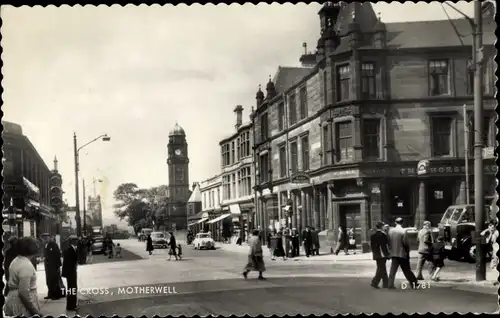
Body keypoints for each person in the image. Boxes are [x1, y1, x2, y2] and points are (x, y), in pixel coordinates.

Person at [4, 237, 43, 317]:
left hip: (13, 298)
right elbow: (24, 292)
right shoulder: (26, 265)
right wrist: (35, 311)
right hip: (22, 304)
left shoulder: (16, 260)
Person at [387, 218, 419, 289]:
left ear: (395, 222)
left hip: (394, 253)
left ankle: (390, 284)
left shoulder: (390, 231)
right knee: (407, 270)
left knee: (393, 270)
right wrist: (408, 252)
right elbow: (406, 243)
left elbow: (388, 243)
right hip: (402, 254)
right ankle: (414, 283)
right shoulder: (403, 231)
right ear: (402, 223)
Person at [370, 221, 390, 289]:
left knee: (382, 268)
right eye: (383, 226)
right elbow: (384, 246)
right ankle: (374, 282)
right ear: (381, 226)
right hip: (382, 255)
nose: (384, 227)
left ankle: (386, 283)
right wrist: (387, 255)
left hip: (376, 254)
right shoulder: (383, 235)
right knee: (381, 269)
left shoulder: (373, 235)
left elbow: (372, 246)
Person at [43, 234, 64, 300]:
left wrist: (58, 265)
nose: (45, 239)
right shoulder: (46, 245)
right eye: (44, 237)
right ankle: (50, 294)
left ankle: (56, 295)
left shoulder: (53, 244)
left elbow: (57, 255)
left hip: (54, 266)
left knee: (55, 281)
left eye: (46, 237)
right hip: (48, 266)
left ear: (50, 237)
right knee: (49, 280)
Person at [62, 235, 79, 312]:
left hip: (70, 273)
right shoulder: (70, 250)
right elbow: (69, 263)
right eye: (75, 240)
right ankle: (72, 306)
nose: (77, 241)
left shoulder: (71, 249)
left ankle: (71, 305)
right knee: (72, 289)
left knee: (71, 289)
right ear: (72, 241)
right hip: (71, 273)